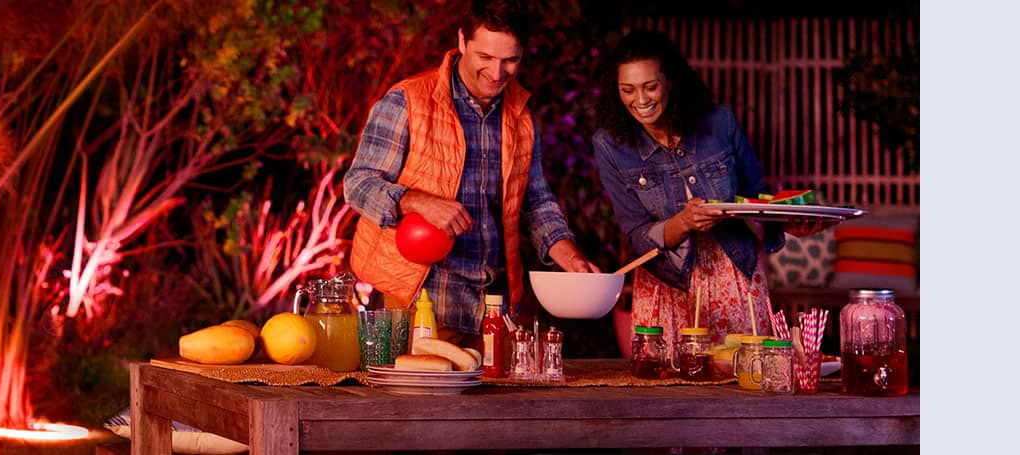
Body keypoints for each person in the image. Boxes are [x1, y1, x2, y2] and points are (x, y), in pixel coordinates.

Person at [344, 0, 600, 346]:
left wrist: (570, 255)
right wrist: (417, 202)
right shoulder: (407, 100)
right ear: (462, 41)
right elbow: (358, 184)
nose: (497, 72)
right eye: (485, 57)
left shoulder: (521, 116)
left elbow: (537, 202)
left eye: (510, 60)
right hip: (418, 305)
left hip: (494, 309)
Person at [588, 31, 829, 348]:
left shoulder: (719, 123)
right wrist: (683, 222)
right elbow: (636, 235)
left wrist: (788, 222)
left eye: (651, 86)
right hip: (666, 283)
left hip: (734, 273)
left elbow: (754, 196)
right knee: (666, 376)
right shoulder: (610, 146)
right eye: (628, 90)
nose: (641, 100)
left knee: (746, 370)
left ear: (669, 81)